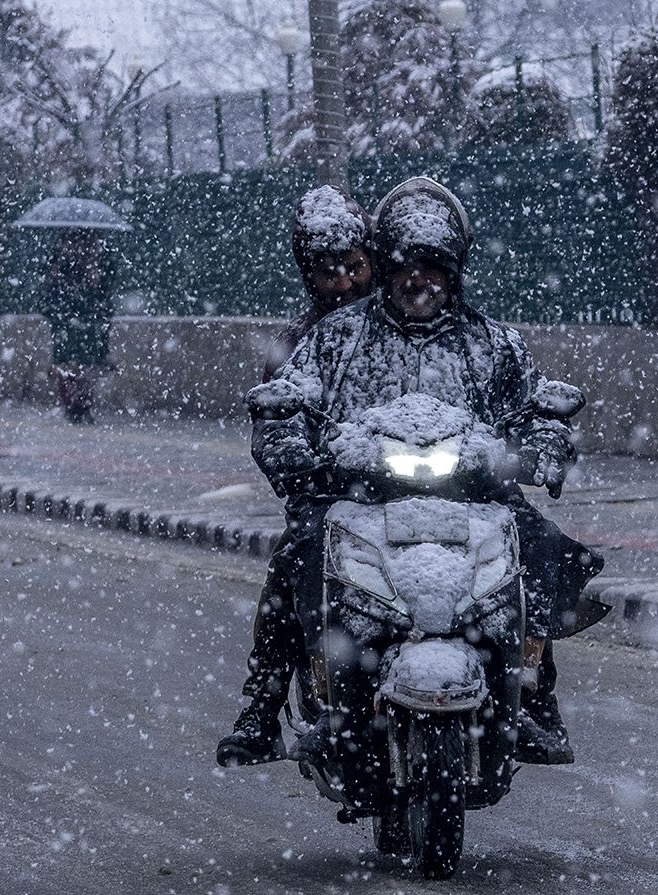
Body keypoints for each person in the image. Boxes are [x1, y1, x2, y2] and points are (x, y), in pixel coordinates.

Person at [235, 177, 605, 767]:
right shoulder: (335, 338)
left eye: (434, 266)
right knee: (298, 553)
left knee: (538, 549)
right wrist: (287, 443)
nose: (418, 279)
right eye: (406, 265)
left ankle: (533, 694)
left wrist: (544, 442)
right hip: (355, 497)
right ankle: (264, 702)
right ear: (386, 266)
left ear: (455, 270)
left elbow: (537, 405)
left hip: (474, 497)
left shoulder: (494, 344)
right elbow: (287, 399)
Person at [217, 186, 376, 767]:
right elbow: (272, 423)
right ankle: (261, 708)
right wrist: (298, 466)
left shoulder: (416, 328)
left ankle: (530, 690)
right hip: (336, 502)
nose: (345, 284)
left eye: (355, 267)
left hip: (430, 493)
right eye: (328, 272)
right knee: (293, 567)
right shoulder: (297, 345)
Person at [40, 229, 118, 424]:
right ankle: (73, 406)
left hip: (88, 321)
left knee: (87, 368)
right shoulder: (59, 260)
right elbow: (49, 293)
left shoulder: (101, 259)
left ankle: (82, 405)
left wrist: (96, 279)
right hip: (69, 320)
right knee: (69, 367)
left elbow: (106, 291)